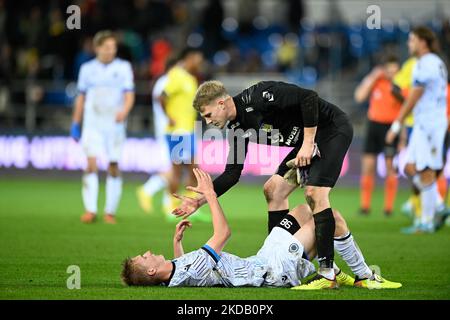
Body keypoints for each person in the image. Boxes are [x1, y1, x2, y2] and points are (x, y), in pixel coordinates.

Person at [173, 80, 354, 289]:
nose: (207, 122)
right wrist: (199, 201)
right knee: (273, 190)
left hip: (329, 129)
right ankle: (275, 261)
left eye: (208, 115)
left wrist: (307, 143)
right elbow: (232, 174)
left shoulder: (260, 96)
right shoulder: (237, 129)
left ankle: (327, 273)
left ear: (221, 103)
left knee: (314, 194)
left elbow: (309, 97)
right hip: (308, 142)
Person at [121, 168, 401, 289]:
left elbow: (183, 271)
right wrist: (210, 194)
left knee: (304, 209)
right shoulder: (191, 267)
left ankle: (333, 271)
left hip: (264, 256)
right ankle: (364, 276)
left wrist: (177, 243)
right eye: (143, 257)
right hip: (274, 270)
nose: (146, 252)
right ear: (150, 271)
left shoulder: (174, 274)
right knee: (331, 218)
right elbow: (223, 234)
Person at [386, 26, 448, 233]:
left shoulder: (426, 63)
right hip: (424, 123)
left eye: (412, 40)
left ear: (423, 42)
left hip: (430, 124)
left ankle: (427, 222)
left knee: (426, 171)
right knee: (409, 167)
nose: (408, 43)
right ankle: (438, 205)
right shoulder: (435, 63)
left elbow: (414, 96)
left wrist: (396, 124)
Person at [70, 30, 135, 224]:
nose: (111, 51)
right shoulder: (87, 69)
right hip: (93, 124)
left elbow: (129, 94)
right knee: (91, 165)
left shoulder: (123, 67)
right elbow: (81, 97)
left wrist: (125, 111)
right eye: (107, 47)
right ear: (97, 47)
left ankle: (110, 212)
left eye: (113, 47)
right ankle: (90, 210)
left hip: (114, 124)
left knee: (113, 166)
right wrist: (75, 122)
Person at [155, 47, 209, 221]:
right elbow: (161, 96)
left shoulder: (191, 79)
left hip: (188, 131)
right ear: (189, 58)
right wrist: (169, 117)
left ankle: (190, 206)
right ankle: (170, 207)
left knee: (194, 171)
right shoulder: (177, 75)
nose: (199, 64)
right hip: (177, 132)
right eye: (198, 60)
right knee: (177, 171)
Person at [354, 55, 401, 216]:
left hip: (390, 128)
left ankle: (388, 208)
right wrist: (373, 76)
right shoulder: (376, 82)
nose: (391, 74)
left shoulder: (400, 86)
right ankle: (365, 206)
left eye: (395, 71)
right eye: (389, 71)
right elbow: (359, 96)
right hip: (373, 126)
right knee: (367, 167)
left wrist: (402, 138)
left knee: (390, 167)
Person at [136, 57, 176, 215]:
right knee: (173, 170)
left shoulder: (163, 82)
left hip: (169, 131)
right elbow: (163, 102)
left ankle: (169, 204)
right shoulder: (167, 82)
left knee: (175, 169)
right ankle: (147, 190)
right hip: (168, 132)